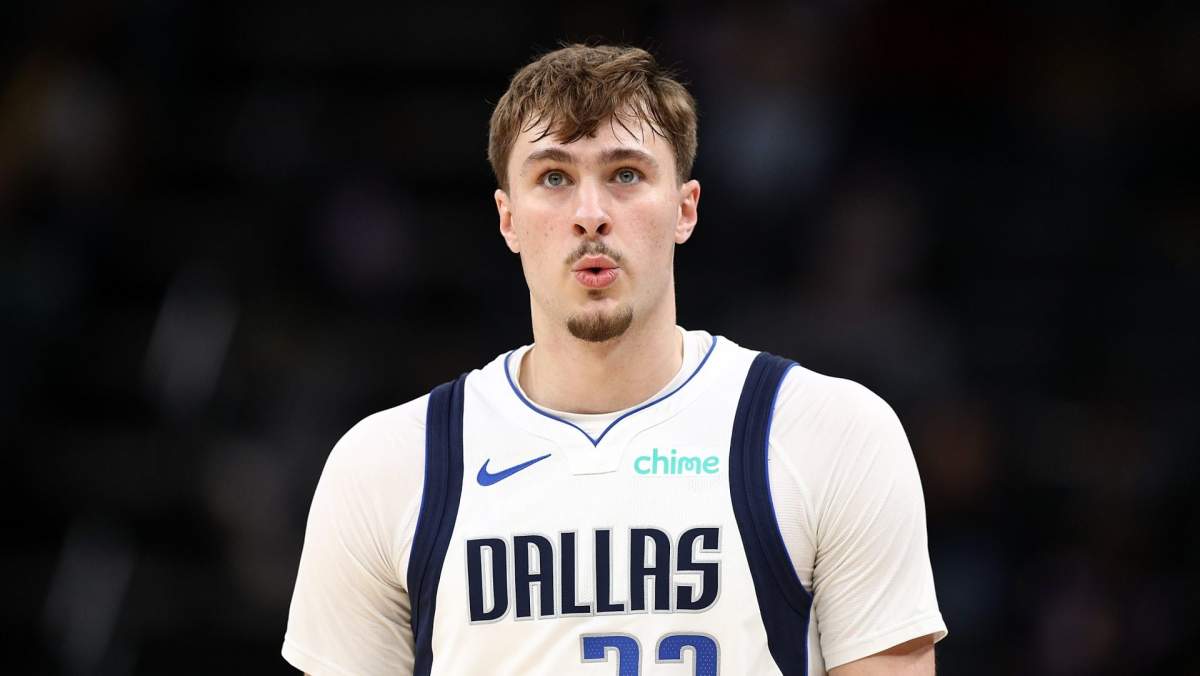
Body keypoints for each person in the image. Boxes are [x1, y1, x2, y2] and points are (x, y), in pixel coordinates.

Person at [282, 44, 947, 676]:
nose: (590, 214)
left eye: (626, 174)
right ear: (508, 219)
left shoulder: (828, 432)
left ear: (685, 208)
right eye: (554, 177)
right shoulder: (386, 465)